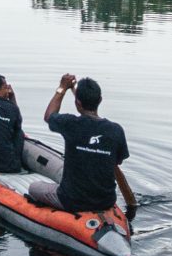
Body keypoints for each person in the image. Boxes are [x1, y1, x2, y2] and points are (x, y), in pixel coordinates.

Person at [27, 73, 137, 218]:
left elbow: (49, 116)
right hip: (106, 201)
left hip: (72, 200)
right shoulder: (116, 130)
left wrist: (62, 88)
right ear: (100, 100)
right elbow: (118, 161)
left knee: (34, 187)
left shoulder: (70, 124)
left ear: (77, 103)